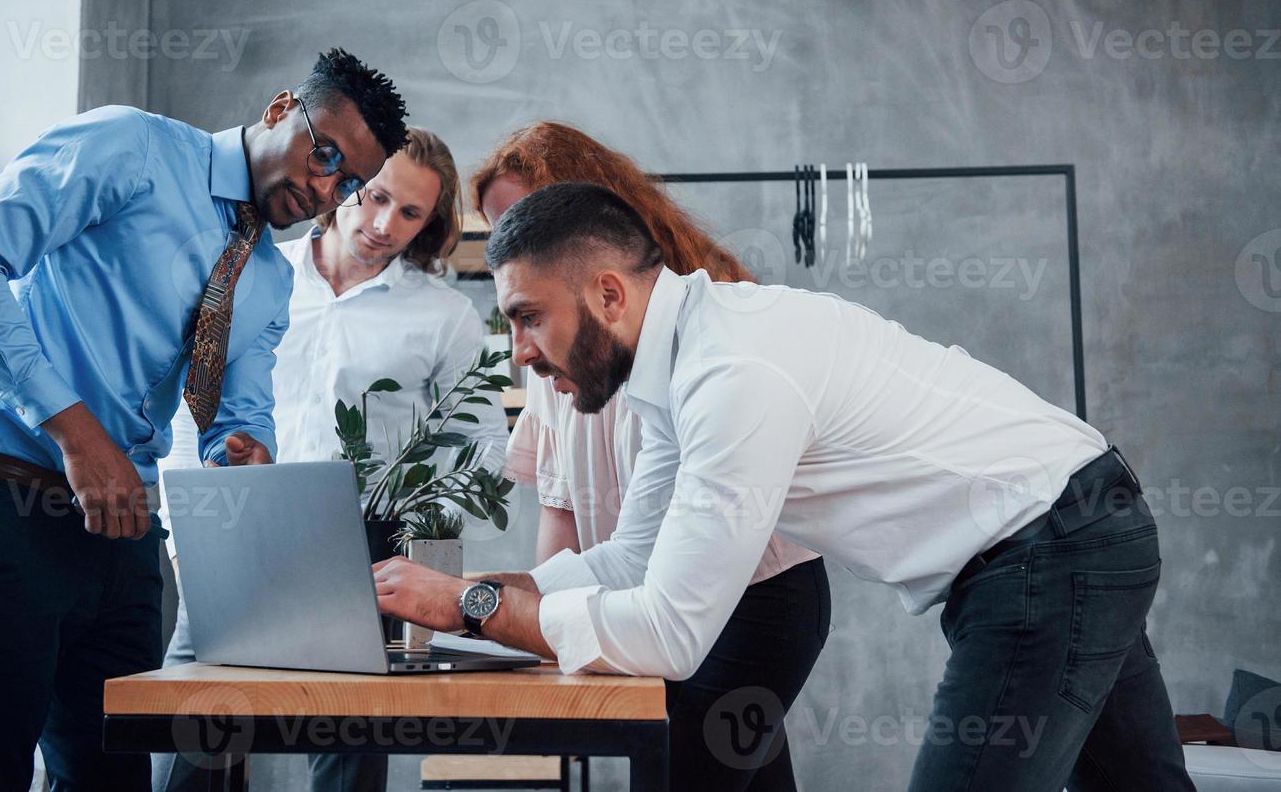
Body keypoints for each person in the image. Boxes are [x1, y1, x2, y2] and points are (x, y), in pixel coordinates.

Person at [375, 182, 1197, 792]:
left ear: (609, 293)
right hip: (1076, 525)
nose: (518, 350)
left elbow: (669, 633)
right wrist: (475, 591)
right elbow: (636, 557)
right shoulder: (679, 363)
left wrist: (467, 610)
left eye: (525, 316)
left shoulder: (732, 373)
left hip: (1051, 543)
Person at [0, 48, 408, 791]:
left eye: (351, 181)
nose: (326, 187)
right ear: (279, 110)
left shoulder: (268, 280)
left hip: (122, 544)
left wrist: (244, 454)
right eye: (324, 153)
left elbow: (238, 416)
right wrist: (77, 432)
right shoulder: (129, 147)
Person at [470, 123, 829, 790]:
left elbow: (674, 568)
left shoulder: (692, 336)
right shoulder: (550, 354)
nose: (509, 243)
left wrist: (505, 611)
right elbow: (564, 508)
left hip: (748, 597)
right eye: (498, 229)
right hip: (640, 592)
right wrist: (526, 627)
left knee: (678, 774)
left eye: (525, 219)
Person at [154, 127, 508, 792]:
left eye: (410, 213)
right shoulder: (251, 275)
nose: (383, 225)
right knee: (192, 758)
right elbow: (186, 404)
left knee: (346, 764)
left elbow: (483, 445)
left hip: (362, 556)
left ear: (430, 222)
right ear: (345, 185)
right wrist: (183, 542)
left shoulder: (446, 316)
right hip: (233, 540)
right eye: (374, 198)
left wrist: (424, 536)